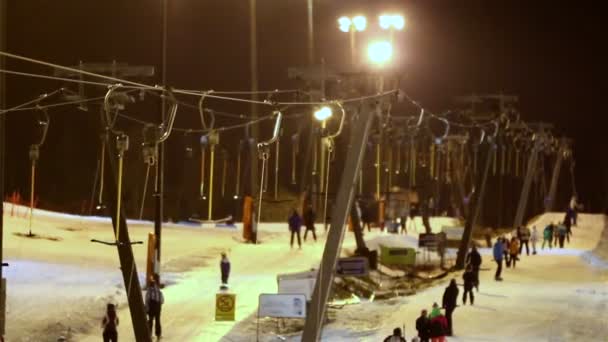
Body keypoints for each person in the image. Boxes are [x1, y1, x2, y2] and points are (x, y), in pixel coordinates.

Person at [145, 275, 164, 339]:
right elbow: (162, 300)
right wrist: (159, 305)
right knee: (157, 320)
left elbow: (147, 300)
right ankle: (158, 334)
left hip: (151, 308)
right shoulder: (158, 291)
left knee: (150, 321)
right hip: (158, 308)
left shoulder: (149, 291)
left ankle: (149, 334)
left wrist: (147, 308)